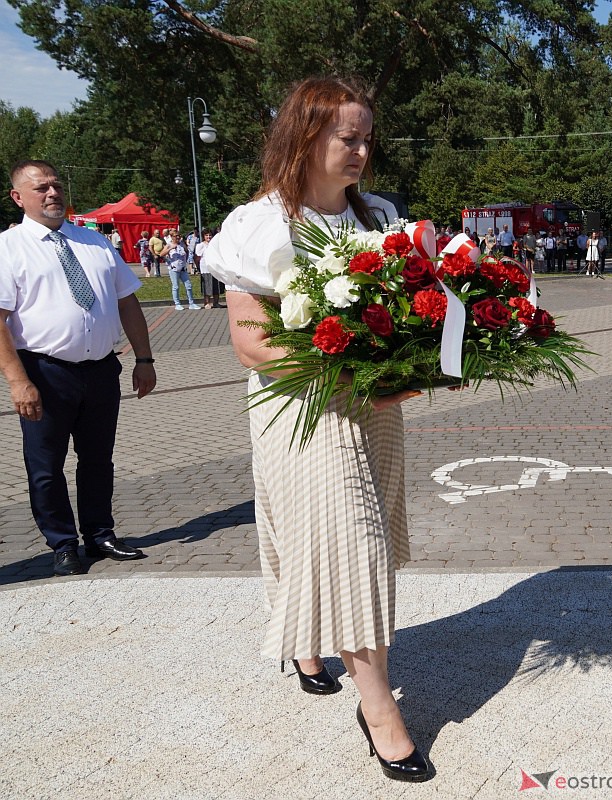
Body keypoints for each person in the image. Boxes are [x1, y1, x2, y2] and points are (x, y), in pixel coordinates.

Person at [204, 77, 433, 783]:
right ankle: (381, 714)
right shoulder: (259, 225)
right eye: (348, 137)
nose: (363, 150)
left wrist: (416, 358)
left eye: (367, 137)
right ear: (304, 138)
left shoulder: (380, 218)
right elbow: (252, 345)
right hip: (298, 407)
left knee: (330, 534)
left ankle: (305, 642)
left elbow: (407, 318)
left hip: (375, 407)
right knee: (350, 543)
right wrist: (350, 368)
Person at [0, 159, 156, 577]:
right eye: (40, 189)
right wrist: (18, 381)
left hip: (101, 369)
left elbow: (126, 300)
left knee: (98, 459)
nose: (52, 194)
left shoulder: (94, 242)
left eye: (55, 186)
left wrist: (144, 358)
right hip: (44, 372)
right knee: (46, 467)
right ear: (18, 197)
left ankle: (100, 534)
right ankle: (62, 543)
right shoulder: (8, 248)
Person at [166, 232, 201, 310]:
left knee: (188, 285)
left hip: (182, 268)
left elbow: (187, 252)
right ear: (171, 237)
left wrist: (185, 261)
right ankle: (177, 304)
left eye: (179, 236)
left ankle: (191, 303)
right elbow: (161, 254)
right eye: (176, 236)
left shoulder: (182, 244)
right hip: (174, 269)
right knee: (176, 286)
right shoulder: (169, 244)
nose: (178, 237)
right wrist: (170, 249)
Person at [195, 229, 221, 308]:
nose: (208, 237)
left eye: (210, 235)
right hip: (205, 268)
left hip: (215, 268)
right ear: (203, 236)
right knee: (207, 286)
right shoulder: (200, 245)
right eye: (206, 235)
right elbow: (198, 255)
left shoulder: (215, 244)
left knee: (216, 286)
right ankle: (207, 303)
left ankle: (216, 302)